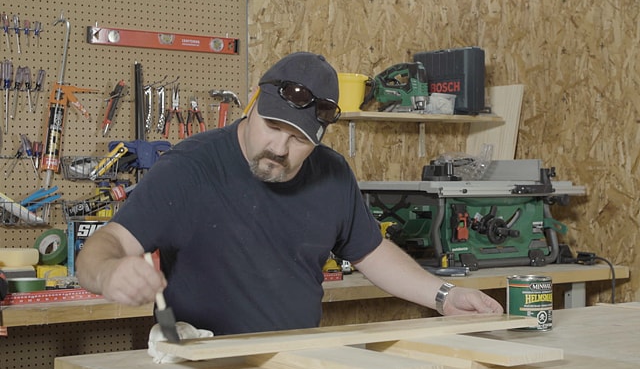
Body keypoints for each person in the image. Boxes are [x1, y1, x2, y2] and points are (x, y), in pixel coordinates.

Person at [76, 51, 503, 336]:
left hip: (295, 365)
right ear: (251, 105)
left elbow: (372, 253)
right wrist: (111, 272)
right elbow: (101, 249)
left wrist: (444, 296)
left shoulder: (332, 174)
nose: (279, 149)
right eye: (273, 127)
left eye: (299, 139)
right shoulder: (189, 168)